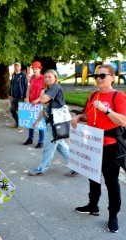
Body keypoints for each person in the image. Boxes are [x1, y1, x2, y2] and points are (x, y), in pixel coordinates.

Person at [71, 64, 126, 233]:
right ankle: (93, 205)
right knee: (93, 177)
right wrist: (79, 117)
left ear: (112, 77)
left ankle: (113, 215)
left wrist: (106, 109)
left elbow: (123, 121)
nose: (99, 79)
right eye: (96, 75)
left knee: (111, 182)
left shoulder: (118, 96)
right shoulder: (93, 95)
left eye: (103, 75)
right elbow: (89, 116)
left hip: (110, 145)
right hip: (92, 143)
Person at [28, 69, 75, 176]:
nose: (47, 79)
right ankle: (76, 165)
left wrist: (41, 92)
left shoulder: (55, 87)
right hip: (53, 123)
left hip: (56, 124)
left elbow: (43, 100)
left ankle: (41, 169)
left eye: (50, 77)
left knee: (48, 148)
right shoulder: (50, 89)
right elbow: (45, 109)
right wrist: (36, 121)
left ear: (55, 78)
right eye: (45, 77)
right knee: (61, 146)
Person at [23, 61, 45, 148]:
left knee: (40, 122)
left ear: (40, 69)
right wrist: (27, 97)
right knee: (31, 120)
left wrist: (38, 99)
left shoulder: (43, 78)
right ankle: (30, 138)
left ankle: (41, 141)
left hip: (40, 104)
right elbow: (29, 89)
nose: (34, 70)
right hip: (31, 103)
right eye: (33, 68)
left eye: (36, 68)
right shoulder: (32, 78)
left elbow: (45, 91)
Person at [9, 62, 28, 130]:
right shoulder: (13, 75)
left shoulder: (23, 75)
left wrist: (26, 95)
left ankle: (22, 125)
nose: (16, 68)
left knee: (21, 111)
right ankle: (17, 122)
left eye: (18, 66)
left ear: (20, 67)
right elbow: (11, 85)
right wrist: (10, 94)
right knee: (12, 109)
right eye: (15, 67)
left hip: (21, 96)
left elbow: (26, 85)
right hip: (14, 96)